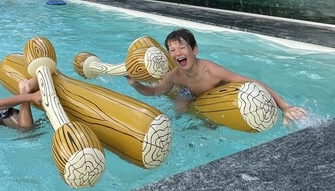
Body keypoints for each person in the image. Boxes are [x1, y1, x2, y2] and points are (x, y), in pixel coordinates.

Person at [126, 28, 308, 125]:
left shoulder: (211, 71)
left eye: (182, 47)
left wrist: (284, 106)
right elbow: (156, 91)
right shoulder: (175, 75)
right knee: (178, 110)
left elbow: (252, 82)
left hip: (214, 95)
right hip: (188, 93)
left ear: (194, 50)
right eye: (172, 50)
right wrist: (135, 84)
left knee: (213, 124)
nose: (177, 52)